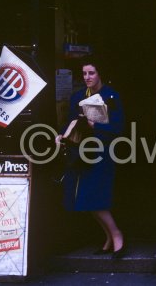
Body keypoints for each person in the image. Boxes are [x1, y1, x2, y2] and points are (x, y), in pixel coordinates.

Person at [55, 57, 125, 259]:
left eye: (91, 73)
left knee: (97, 198)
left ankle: (116, 235)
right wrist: (62, 134)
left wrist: (97, 126)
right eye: (84, 73)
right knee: (87, 199)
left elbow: (119, 127)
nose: (87, 77)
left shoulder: (111, 96)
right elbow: (70, 121)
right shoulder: (78, 96)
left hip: (103, 150)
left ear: (99, 73)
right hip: (83, 151)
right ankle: (109, 238)